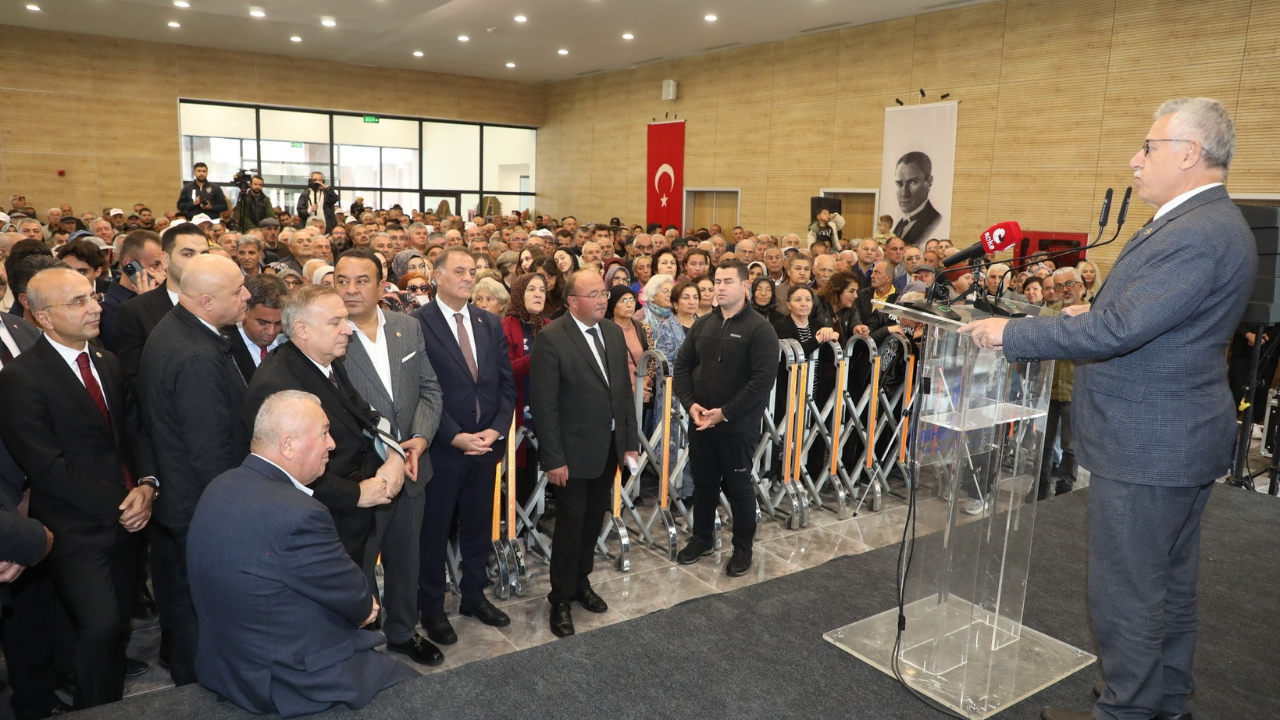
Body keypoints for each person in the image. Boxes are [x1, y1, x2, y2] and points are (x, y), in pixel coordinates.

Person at [962, 97, 1254, 720]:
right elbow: (1149, 320)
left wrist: (1013, 333)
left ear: (1189, 153)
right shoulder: (1203, 222)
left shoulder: (1196, 232)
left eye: (1148, 147)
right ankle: (1161, 701)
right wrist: (1092, 312)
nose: (1135, 160)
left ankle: (1128, 711)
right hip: (1171, 432)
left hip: (1150, 440)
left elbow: (1119, 332)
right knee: (1165, 582)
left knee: (1129, 589)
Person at [187, 391, 420, 718]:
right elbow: (358, 598)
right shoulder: (301, 513)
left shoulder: (218, 486)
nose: (332, 444)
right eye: (324, 432)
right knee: (416, 688)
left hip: (227, 667)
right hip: (287, 679)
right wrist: (361, 605)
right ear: (288, 446)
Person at [0, 268, 158, 708]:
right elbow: (46, 466)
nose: (94, 308)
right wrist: (123, 502)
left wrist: (148, 484)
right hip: (73, 527)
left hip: (130, 518)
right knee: (101, 627)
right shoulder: (21, 377)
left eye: (92, 297)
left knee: (117, 628)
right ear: (44, 317)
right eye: (77, 302)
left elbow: (133, 431)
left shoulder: (107, 360)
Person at [137, 254, 250, 687]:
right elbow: (211, 451)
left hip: (183, 500)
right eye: (237, 291)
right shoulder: (196, 356)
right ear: (206, 301)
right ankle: (196, 692)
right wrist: (237, 511)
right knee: (199, 610)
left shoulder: (179, 328)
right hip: (202, 506)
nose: (246, 295)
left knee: (188, 602)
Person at [334, 250, 445, 667]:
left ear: (382, 286)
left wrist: (419, 439)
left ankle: (402, 630)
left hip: (413, 468)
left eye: (361, 280)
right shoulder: (330, 335)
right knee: (359, 564)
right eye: (342, 281)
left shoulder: (406, 327)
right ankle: (364, 638)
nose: (350, 290)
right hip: (362, 474)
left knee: (406, 556)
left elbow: (430, 390)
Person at [243, 283, 404, 567]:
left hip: (348, 520)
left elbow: (364, 413)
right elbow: (289, 472)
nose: (348, 329)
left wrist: (394, 456)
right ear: (302, 329)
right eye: (335, 322)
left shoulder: (324, 361)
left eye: (346, 319)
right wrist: (357, 494)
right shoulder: (277, 386)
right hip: (318, 527)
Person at [412, 247, 516, 647]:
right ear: (437, 276)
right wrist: (452, 435)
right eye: (459, 271)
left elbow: (505, 385)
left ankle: (474, 595)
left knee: (477, 526)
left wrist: (496, 429)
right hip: (443, 447)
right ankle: (432, 607)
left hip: (485, 446)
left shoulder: (489, 323)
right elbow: (419, 390)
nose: (468, 277)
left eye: (472, 271)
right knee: (434, 531)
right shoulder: (417, 323)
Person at [529, 270, 639, 637]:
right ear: (572, 301)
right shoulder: (551, 338)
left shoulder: (612, 332)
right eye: (593, 294)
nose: (602, 300)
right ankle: (560, 598)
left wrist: (629, 441)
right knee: (570, 527)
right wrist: (554, 459)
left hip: (607, 448)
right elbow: (544, 406)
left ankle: (581, 582)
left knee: (593, 522)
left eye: (603, 293)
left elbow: (622, 392)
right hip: (571, 454)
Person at [672, 261, 779, 576]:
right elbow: (682, 366)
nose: (719, 287)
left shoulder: (760, 329)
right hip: (702, 421)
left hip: (737, 425)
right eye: (717, 281)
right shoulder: (703, 323)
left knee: (738, 487)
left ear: (745, 286)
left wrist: (725, 413)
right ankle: (703, 537)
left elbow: (761, 382)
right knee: (703, 484)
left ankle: (743, 548)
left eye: (728, 281)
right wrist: (690, 404)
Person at [502, 273, 549, 511]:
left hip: (546, 411)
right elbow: (506, 370)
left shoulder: (550, 327)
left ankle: (533, 521)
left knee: (538, 469)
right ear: (519, 293)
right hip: (516, 411)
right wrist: (538, 356)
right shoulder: (505, 326)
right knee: (518, 472)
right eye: (531, 289)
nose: (538, 294)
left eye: (542, 289)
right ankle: (513, 523)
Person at [100, 230, 166, 351]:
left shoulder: (165, 294)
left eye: (164, 264)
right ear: (130, 265)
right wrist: (147, 305)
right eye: (155, 265)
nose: (163, 272)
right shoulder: (106, 309)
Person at [224, 274, 286, 381]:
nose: (271, 332)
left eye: (278, 323)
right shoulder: (224, 347)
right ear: (244, 310)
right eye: (262, 323)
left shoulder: (290, 344)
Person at [892, 151, 943, 246]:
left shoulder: (934, 222)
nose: (904, 193)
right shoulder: (900, 224)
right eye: (899, 184)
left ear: (929, 182)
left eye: (912, 182)